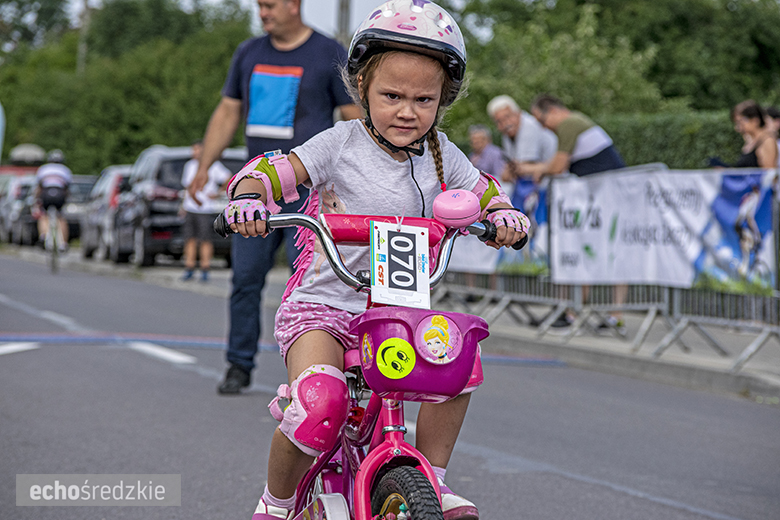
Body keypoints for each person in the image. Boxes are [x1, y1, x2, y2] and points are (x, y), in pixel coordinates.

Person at [223, 2, 529, 518]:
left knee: (454, 362)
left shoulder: (442, 153)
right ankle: (275, 504)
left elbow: (484, 191)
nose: (407, 111)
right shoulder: (340, 144)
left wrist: (501, 214)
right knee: (320, 402)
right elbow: (275, 171)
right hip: (323, 308)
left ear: (443, 99)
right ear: (362, 86)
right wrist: (248, 197)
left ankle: (430, 478)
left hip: (396, 313)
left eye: (423, 99)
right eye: (392, 96)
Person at [186, 0, 362, 395]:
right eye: (259, 6)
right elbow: (228, 111)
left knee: (313, 286)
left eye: (269, 5)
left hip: (309, 194)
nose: (263, 13)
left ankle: (319, 373)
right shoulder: (249, 52)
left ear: (294, 5)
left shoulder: (329, 52)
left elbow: (355, 118)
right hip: (256, 193)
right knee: (245, 279)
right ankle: (238, 364)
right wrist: (204, 166)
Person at [521, 94, 627, 331]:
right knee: (594, 252)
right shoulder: (578, 123)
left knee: (593, 251)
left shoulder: (569, 124)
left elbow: (557, 167)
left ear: (552, 111)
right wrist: (537, 169)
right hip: (603, 200)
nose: (542, 127)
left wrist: (532, 169)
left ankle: (574, 312)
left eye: (541, 120)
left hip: (606, 201)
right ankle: (591, 313)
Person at [486, 94, 556, 205]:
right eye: (499, 121)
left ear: (517, 113)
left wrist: (513, 170)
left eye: (508, 117)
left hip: (551, 184)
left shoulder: (529, 126)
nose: (505, 123)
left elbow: (520, 169)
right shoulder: (508, 132)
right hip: (539, 184)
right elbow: (510, 168)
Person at [180, 140, 232, 282]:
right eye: (193, 150)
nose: (195, 153)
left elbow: (228, 178)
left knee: (205, 239)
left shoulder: (213, 166)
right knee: (189, 238)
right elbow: (187, 187)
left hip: (205, 208)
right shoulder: (189, 166)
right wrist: (183, 206)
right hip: (191, 207)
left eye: (197, 150)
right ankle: (189, 267)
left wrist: (218, 193)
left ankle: (205, 267)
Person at [35, 149, 72, 251]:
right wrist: (67, 200)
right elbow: (67, 188)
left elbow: (39, 188)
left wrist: (36, 200)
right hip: (59, 193)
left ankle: (43, 236)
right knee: (61, 218)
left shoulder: (43, 169)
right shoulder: (65, 170)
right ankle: (64, 243)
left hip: (46, 193)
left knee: (44, 216)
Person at [729, 100, 778, 169]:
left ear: (755, 120)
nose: (738, 128)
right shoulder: (750, 141)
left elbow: (769, 173)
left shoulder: (767, 141)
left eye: (741, 122)